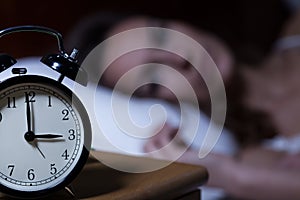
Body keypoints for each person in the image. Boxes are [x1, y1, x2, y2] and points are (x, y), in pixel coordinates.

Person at [66, 9, 300, 200]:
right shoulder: (262, 161)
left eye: (162, 35)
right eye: (154, 79)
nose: (180, 56)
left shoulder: (295, 29)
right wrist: (228, 175)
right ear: (156, 105)